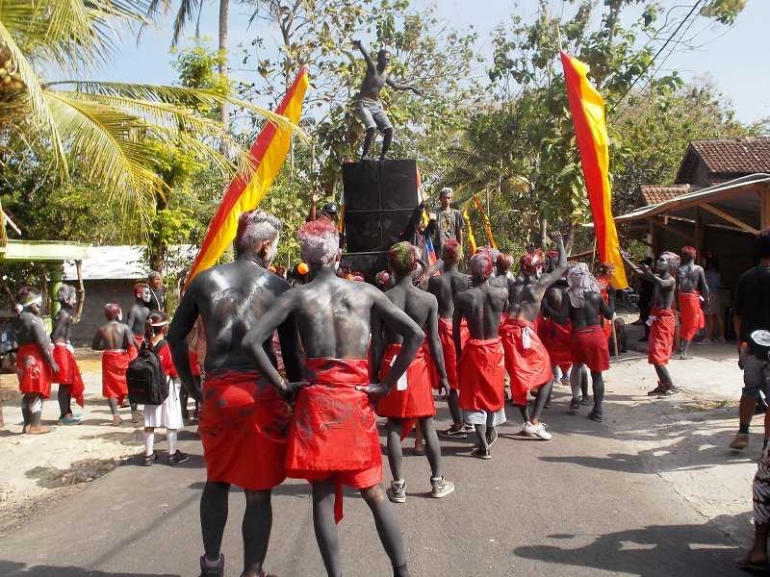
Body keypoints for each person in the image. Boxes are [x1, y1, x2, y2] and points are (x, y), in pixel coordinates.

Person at [241, 219, 421, 577]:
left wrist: (281, 385)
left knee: (322, 494)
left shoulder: (295, 296)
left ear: (307, 258)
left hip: (317, 403)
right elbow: (414, 334)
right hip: (355, 402)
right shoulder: (366, 293)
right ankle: (402, 572)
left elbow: (250, 342)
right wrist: (384, 386)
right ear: (338, 254)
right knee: (373, 491)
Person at [167, 210, 301, 577]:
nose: (274, 252)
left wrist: (193, 385)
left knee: (217, 479)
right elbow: (290, 354)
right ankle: (252, 572)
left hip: (219, 392)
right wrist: (295, 394)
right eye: (274, 246)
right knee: (257, 491)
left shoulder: (204, 281)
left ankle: (211, 564)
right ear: (262, 246)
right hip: (261, 394)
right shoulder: (278, 288)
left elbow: (174, 337)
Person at [373, 242, 454, 504]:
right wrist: (442, 375)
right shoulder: (428, 299)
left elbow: (377, 343)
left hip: (391, 362)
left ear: (390, 267)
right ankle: (437, 482)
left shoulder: (382, 299)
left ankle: (398, 487)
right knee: (427, 423)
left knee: (394, 426)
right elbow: (435, 340)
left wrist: (375, 375)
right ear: (415, 267)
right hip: (417, 364)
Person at [499, 232, 567, 440]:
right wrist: (561, 243)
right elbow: (562, 267)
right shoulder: (539, 284)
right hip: (523, 331)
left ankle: (528, 421)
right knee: (547, 374)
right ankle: (534, 421)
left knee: (518, 380)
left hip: (507, 330)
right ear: (538, 268)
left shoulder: (513, 285)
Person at [454, 249, 508, 459]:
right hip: (495, 348)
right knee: (494, 391)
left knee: (473, 396)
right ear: (490, 271)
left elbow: (456, 329)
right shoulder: (502, 292)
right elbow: (505, 313)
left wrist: (459, 353)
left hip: (474, 349)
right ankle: (488, 430)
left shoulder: (463, 297)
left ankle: (483, 443)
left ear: (472, 272)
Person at [728, 228, 770, 451]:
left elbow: (737, 315)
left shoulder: (747, 277)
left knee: (750, 389)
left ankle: (743, 433)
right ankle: (767, 445)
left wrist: (740, 344)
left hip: (751, 347)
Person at [427, 239, 471, 436]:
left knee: (451, 380)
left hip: (446, 327)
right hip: (465, 328)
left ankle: (459, 423)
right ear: (459, 256)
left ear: (443, 257)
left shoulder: (436, 281)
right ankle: (470, 420)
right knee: (466, 375)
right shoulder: (467, 279)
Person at [621, 250, 679, 396]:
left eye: (663, 260)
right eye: (659, 259)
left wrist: (650, 273)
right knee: (654, 354)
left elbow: (662, 283)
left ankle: (669, 385)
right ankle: (664, 384)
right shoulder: (657, 276)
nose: (659, 261)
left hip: (664, 321)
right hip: (657, 319)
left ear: (670, 265)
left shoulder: (670, 280)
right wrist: (625, 258)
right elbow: (638, 272)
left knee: (657, 354)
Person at [352, 39, 421, 160]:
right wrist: (360, 45)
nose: (388, 62)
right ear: (379, 59)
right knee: (371, 127)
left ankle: (383, 157)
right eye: (386, 59)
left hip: (375, 105)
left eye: (389, 60)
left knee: (389, 130)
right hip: (363, 104)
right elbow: (367, 56)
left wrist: (411, 87)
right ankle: (364, 155)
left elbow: (396, 86)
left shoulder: (385, 76)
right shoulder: (373, 69)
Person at [566, 263, 615, 422]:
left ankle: (575, 400)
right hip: (596, 335)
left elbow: (561, 317)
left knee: (577, 366)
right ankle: (598, 411)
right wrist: (612, 297)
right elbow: (609, 315)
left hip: (579, 335)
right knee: (597, 374)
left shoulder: (570, 295)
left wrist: (547, 307)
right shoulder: (596, 295)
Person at [140, 311, 188, 467]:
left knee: (149, 422)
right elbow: (173, 370)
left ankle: (148, 455)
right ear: (166, 328)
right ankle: (172, 454)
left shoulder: (144, 344)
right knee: (171, 421)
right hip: (166, 387)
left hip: (148, 388)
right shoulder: (166, 347)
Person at [12, 287, 58, 435]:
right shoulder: (35, 320)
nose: (41, 307)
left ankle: (27, 424)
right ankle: (35, 426)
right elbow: (43, 344)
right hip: (35, 358)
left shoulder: (17, 320)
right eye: (39, 304)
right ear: (32, 305)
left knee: (28, 392)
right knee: (37, 392)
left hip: (23, 357)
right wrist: (52, 362)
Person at [92, 303, 134, 426]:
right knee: (128, 383)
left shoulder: (102, 329)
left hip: (108, 358)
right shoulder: (124, 327)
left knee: (110, 388)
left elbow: (94, 346)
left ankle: (115, 416)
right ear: (118, 314)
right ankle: (134, 414)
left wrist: (106, 346)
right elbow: (129, 343)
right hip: (122, 357)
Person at [50, 284, 85, 425]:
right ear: (66, 299)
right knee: (65, 384)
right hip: (61, 351)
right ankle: (64, 416)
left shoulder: (65, 314)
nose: (75, 301)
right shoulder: (63, 315)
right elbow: (54, 336)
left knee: (67, 383)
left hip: (64, 349)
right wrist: (64, 346)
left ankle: (67, 412)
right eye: (73, 298)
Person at [677, 246, 709, 359]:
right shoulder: (699, 269)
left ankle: (681, 347)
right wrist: (705, 299)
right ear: (695, 256)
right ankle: (684, 352)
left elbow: (679, 286)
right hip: (692, 298)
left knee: (686, 322)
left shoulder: (680, 269)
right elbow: (705, 287)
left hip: (682, 298)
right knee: (693, 324)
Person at [434, 188, 464, 255]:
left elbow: (459, 232)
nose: (446, 200)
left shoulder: (457, 214)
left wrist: (460, 248)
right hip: (439, 249)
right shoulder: (436, 212)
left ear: (451, 199)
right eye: (444, 198)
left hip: (452, 249)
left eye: (448, 198)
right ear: (440, 199)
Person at [704, 255, 726, 343]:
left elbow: (707, 285)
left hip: (710, 294)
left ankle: (708, 337)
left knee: (710, 316)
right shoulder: (717, 272)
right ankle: (722, 336)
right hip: (717, 293)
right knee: (718, 315)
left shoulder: (708, 273)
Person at [636, 257, 654, 341]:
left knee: (648, 317)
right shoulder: (643, 275)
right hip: (644, 297)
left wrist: (652, 300)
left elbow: (655, 289)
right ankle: (647, 335)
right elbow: (640, 286)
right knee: (644, 317)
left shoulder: (652, 275)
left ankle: (649, 335)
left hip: (649, 298)